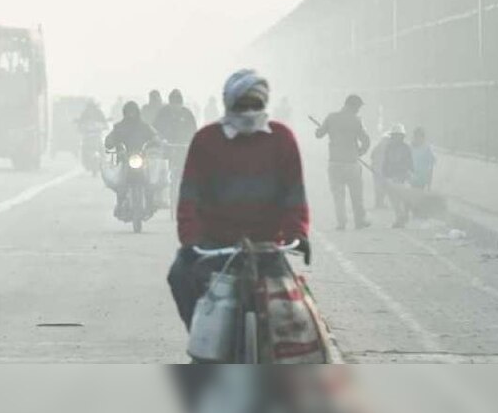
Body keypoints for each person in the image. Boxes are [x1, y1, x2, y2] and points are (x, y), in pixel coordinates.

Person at [167, 69, 311, 330]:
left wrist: (298, 234)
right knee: (179, 276)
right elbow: (189, 198)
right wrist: (190, 242)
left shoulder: (282, 139)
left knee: (298, 317)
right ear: (228, 104)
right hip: (215, 247)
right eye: (241, 105)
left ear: (265, 104)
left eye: (254, 105)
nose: (247, 112)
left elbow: (294, 195)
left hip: (266, 248)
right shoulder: (206, 140)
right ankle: (200, 337)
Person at [315, 94, 372, 230]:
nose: (359, 109)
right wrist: (360, 151)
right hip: (352, 162)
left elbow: (319, 134)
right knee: (356, 195)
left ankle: (342, 222)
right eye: (358, 107)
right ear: (351, 105)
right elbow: (366, 140)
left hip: (335, 162)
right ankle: (359, 221)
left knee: (338, 196)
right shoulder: (356, 120)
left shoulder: (331, 117)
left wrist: (319, 129)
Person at [104, 101, 159, 217]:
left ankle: (151, 203)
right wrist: (109, 142)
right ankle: (120, 204)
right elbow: (110, 138)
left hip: (141, 157)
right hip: (124, 158)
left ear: (137, 112)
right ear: (125, 113)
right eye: (129, 112)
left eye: (133, 112)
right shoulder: (119, 127)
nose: (131, 114)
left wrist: (156, 141)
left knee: (151, 181)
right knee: (119, 184)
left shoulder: (144, 126)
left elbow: (154, 135)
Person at [381, 124, 415, 227]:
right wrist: (385, 175)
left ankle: (403, 216)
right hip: (392, 177)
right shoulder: (389, 148)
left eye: (398, 136)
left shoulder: (406, 148)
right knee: (395, 201)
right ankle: (400, 218)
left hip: (403, 177)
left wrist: (407, 174)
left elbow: (409, 163)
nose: (395, 138)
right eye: (394, 136)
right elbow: (385, 162)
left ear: (402, 136)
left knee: (404, 199)